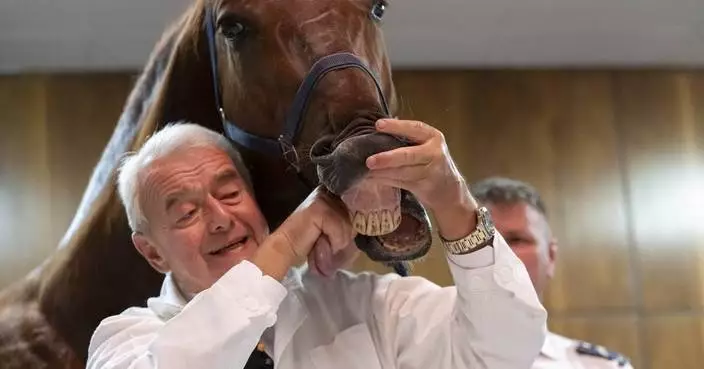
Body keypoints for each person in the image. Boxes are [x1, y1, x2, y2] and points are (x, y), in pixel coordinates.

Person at [86, 120, 547, 369]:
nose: (221, 219)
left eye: (230, 194)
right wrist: (286, 242)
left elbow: (503, 352)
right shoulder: (126, 340)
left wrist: (455, 205)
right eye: (186, 213)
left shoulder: (366, 307)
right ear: (152, 252)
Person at [470, 177, 634, 369]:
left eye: (516, 240)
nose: (500, 253)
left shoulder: (601, 366)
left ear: (551, 256)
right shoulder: (429, 358)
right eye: (483, 240)